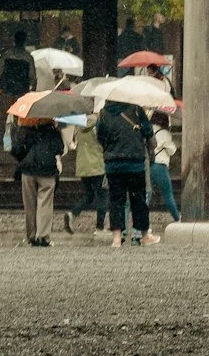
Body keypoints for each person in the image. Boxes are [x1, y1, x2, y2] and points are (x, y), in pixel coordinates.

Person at [96, 97, 153, 246]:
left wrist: (111, 148)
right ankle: (144, 236)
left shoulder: (103, 113)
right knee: (138, 200)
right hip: (135, 162)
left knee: (116, 201)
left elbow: (100, 136)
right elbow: (148, 131)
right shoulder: (136, 109)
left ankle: (116, 238)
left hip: (113, 164)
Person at [12, 112, 66, 246]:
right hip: (47, 168)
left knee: (29, 204)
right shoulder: (52, 131)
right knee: (45, 202)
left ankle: (31, 235)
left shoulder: (25, 130)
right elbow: (59, 148)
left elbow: (17, 150)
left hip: (28, 169)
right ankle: (43, 236)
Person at [0, 29, 37, 152]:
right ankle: (17, 142)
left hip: (6, 89)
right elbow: (32, 76)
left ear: (14, 40)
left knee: (1, 117)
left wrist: (8, 78)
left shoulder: (6, 54)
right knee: (19, 119)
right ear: (25, 41)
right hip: (21, 91)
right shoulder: (28, 57)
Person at [66, 113, 107, 231]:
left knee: (89, 195)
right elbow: (104, 143)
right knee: (103, 196)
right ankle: (99, 227)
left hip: (83, 166)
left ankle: (73, 213)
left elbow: (74, 144)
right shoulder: (99, 126)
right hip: (98, 166)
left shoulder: (78, 126)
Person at [148, 116, 181, 226]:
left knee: (146, 194)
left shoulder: (148, 129)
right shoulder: (164, 133)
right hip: (160, 166)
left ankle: (141, 220)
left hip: (148, 165)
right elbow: (172, 151)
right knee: (167, 194)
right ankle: (176, 217)